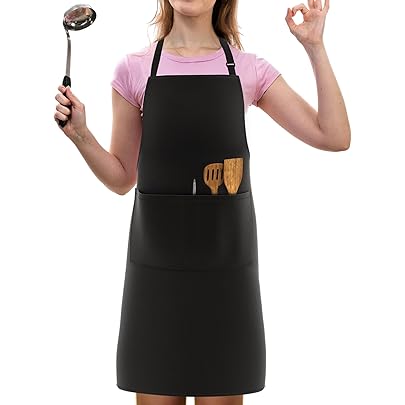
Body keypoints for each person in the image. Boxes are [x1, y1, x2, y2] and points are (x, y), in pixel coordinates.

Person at [53, 1, 350, 404]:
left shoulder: (247, 69)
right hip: (155, 279)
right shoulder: (133, 70)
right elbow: (122, 179)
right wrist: (81, 135)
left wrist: (314, 46)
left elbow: (334, 135)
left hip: (226, 279)